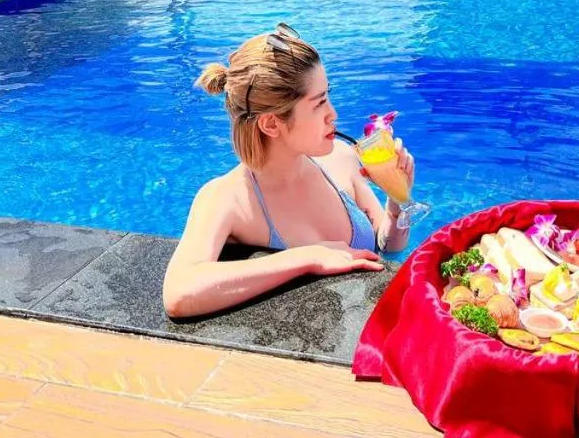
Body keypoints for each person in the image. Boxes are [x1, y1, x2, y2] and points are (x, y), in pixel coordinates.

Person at [163, 23, 415, 318]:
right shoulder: (228, 198)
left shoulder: (342, 159)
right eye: (319, 103)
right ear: (272, 124)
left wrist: (398, 202)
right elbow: (179, 293)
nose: (333, 113)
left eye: (328, 96)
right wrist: (307, 257)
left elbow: (388, 247)